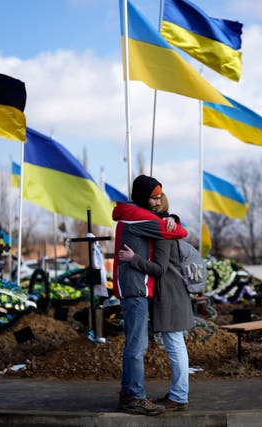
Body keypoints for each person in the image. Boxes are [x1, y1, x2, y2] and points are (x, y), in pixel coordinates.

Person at [112, 175, 188, 416]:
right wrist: (172, 222)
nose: (157, 201)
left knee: (137, 345)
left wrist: (171, 219)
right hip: (135, 290)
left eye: (159, 197)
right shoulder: (139, 217)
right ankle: (134, 397)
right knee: (137, 347)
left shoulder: (132, 214)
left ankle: (130, 394)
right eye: (154, 197)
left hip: (135, 289)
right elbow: (181, 233)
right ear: (144, 197)